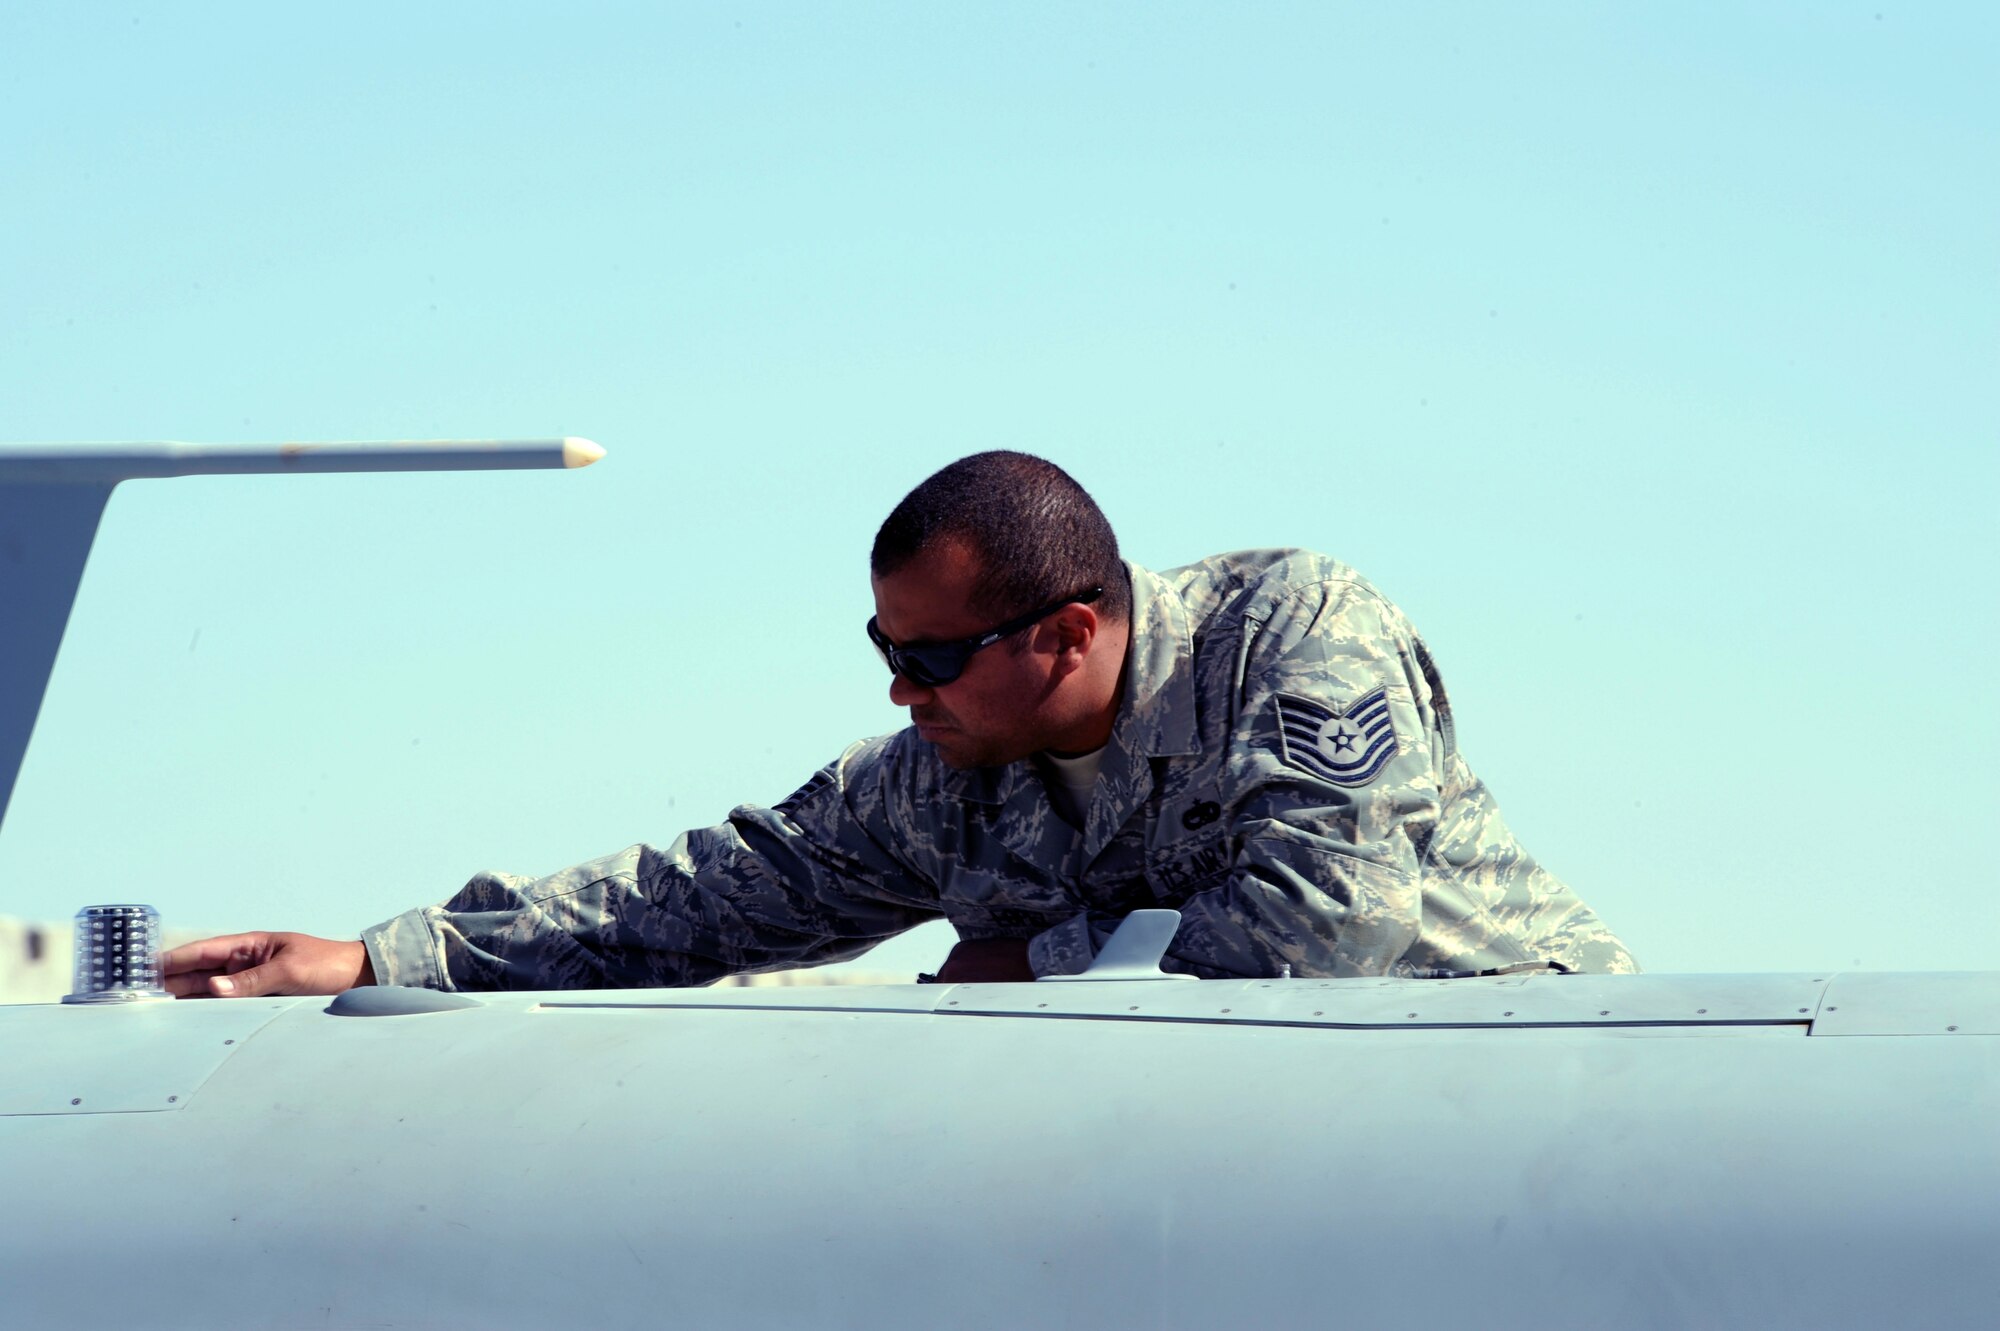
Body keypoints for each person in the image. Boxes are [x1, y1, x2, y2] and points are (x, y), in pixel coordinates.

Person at [165, 451, 1634, 998]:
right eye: (884, 650)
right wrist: (380, 955)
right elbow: (699, 902)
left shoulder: (1289, 632)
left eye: (931, 658)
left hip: (1535, 1076)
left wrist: (1025, 965)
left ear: (1068, 632)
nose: (898, 692)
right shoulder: (947, 777)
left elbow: (1328, 925)